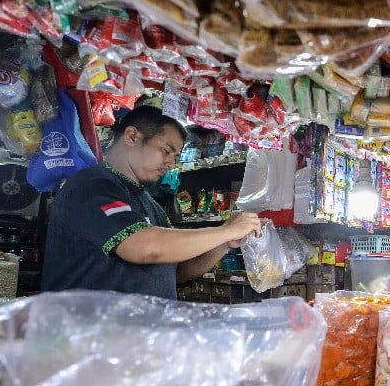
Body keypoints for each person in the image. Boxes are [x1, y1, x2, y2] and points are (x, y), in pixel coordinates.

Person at [42, 106, 262, 299]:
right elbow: (143, 248)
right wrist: (225, 231)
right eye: (166, 151)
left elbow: (177, 271)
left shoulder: (150, 204)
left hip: (136, 338)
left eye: (175, 156)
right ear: (132, 137)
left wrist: (225, 244)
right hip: (88, 336)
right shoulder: (91, 186)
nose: (170, 163)